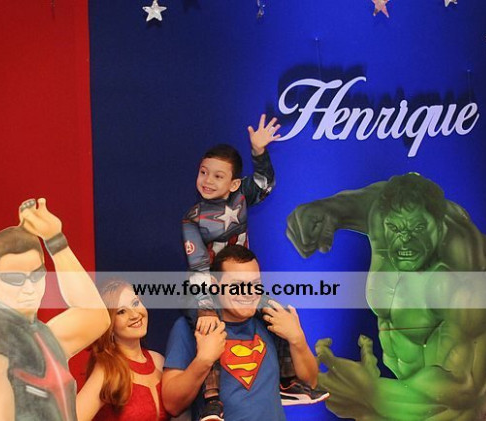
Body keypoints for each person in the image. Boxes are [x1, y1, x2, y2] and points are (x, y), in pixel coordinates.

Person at [287, 173, 486, 420]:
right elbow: (372, 202)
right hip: (409, 394)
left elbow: (463, 387)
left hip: (483, 401)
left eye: (418, 228)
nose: (405, 239)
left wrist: (370, 394)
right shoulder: (387, 216)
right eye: (395, 228)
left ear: (439, 226)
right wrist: (328, 210)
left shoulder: (463, 278)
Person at [182, 115, 325, 421]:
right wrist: (205, 308)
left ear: (234, 183)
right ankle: (212, 400)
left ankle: (288, 383)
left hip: (241, 288)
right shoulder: (192, 219)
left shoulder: (241, 196)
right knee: (209, 329)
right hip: (206, 290)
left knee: (276, 313)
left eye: (218, 176)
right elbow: (198, 266)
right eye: (203, 172)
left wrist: (259, 151)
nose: (208, 181)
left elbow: (265, 183)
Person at [0, 198, 110, 421]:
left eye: (36, 275)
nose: (29, 288)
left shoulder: (43, 336)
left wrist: (55, 241)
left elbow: (96, 315)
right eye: (15, 279)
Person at [162, 245, 319, 421]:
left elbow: (311, 382)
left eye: (255, 284)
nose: (248, 293)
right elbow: (172, 405)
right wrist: (203, 360)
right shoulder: (191, 327)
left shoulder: (270, 321)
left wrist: (298, 340)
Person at [76, 279, 169, 421]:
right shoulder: (107, 370)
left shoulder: (159, 361)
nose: (135, 315)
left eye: (135, 303)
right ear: (109, 324)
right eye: (121, 312)